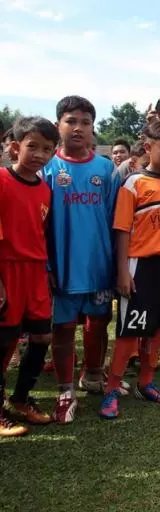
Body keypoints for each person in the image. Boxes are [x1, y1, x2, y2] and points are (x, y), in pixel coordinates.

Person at [102, 120, 160, 419]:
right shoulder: (134, 184)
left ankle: (146, 383)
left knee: (156, 328)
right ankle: (111, 389)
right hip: (140, 266)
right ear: (148, 148)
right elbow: (122, 231)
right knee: (130, 331)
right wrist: (122, 272)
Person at [42, 96, 124, 423]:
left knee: (98, 322)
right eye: (71, 121)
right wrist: (46, 265)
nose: (78, 128)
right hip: (61, 267)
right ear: (58, 124)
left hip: (99, 266)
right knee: (61, 328)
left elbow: (116, 222)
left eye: (85, 123)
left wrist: (117, 266)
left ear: (93, 128)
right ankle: (64, 391)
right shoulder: (48, 167)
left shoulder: (105, 169)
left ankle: (92, 374)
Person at [0, 117, 58, 436]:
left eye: (47, 149)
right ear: (14, 147)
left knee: (41, 337)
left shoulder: (45, 189)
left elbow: (41, 233)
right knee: (4, 342)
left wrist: (47, 271)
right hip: (7, 269)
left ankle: (21, 399)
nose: (39, 154)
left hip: (36, 272)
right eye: (32, 146)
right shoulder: (1, 179)